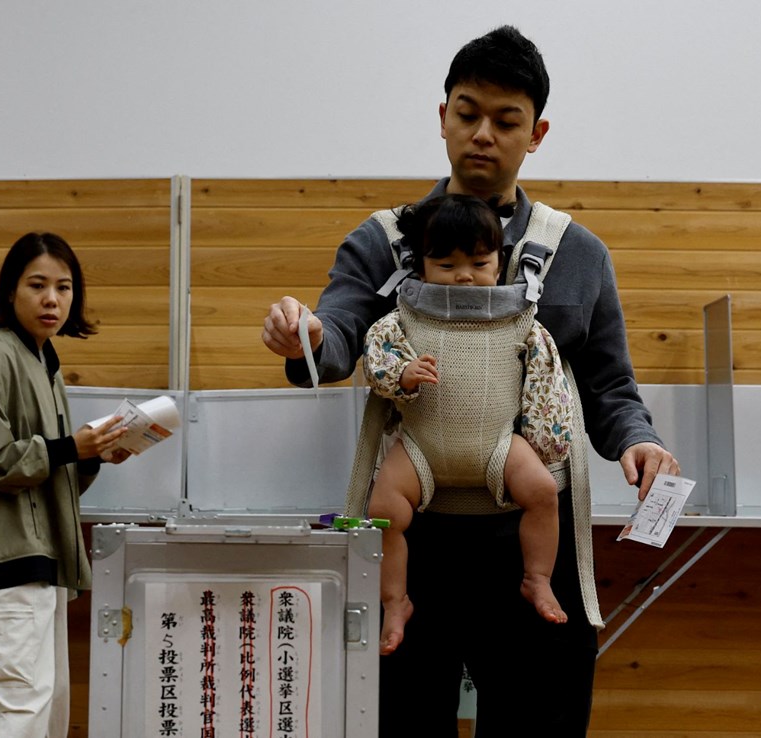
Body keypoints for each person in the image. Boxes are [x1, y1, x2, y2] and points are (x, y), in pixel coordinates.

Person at [261, 25, 680, 736]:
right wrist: (300, 335)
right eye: (466, 113)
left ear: (536, 132)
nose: (482, 134)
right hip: (412, 541)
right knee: (397, 716)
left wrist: (638, 442)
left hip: (529, 539)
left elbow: (610, 388)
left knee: (540, 715)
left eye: (505, 120)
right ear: (443, 117)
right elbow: (335, 340)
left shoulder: (577, 254)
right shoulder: (383, 241)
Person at [0, 232, 130, 737]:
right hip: (1, 565)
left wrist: (92, 455)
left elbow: (45, 479)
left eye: (64, 288)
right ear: (10, 291)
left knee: (38, 710)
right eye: (37, 285)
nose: (52, 300)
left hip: (35, 564)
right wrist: (70, 449)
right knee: (16, 711)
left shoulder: (44, 362)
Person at [364, 194, 569, 658]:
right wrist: (402, 375)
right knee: (383, 513)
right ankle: (395, 601)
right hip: (419, 448)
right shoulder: (403, 318)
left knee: (542, 492)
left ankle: (537, 579)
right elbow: (376, 360)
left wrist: (545, 439)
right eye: (446, 263)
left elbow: (546, 379)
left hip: (499, 443)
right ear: (419, 269)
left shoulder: (522, 320)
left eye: (478, 262)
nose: (463, 275)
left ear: (501, 263)